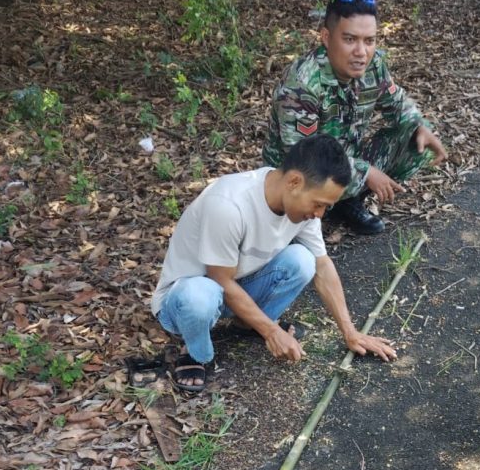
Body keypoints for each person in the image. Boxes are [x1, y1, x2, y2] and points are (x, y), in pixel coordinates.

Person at [152, 135, 397, 392]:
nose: (320, 215)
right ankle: (196, 354)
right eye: (319, 204)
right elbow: (219, 279)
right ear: (294, 182)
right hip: (183, 302)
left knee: (303, 260)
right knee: (200, 295)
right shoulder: (229, 205)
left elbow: (322, 266)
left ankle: (246, 324)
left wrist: (350, 332)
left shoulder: (301, 207)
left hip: (231, 289)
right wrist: (271, 331)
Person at [262, 0, 448, 236]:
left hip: (344, 160)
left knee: (414, 138)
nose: (361, 52)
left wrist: (420, 125)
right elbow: (301, 156)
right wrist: (366, 172)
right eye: (350, 39)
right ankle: (307, 213)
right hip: (295, 180)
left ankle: (344, 202)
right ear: (327, 38)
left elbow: (397, 103)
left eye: (369, 41)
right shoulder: (303, 83)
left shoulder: (373, 66)